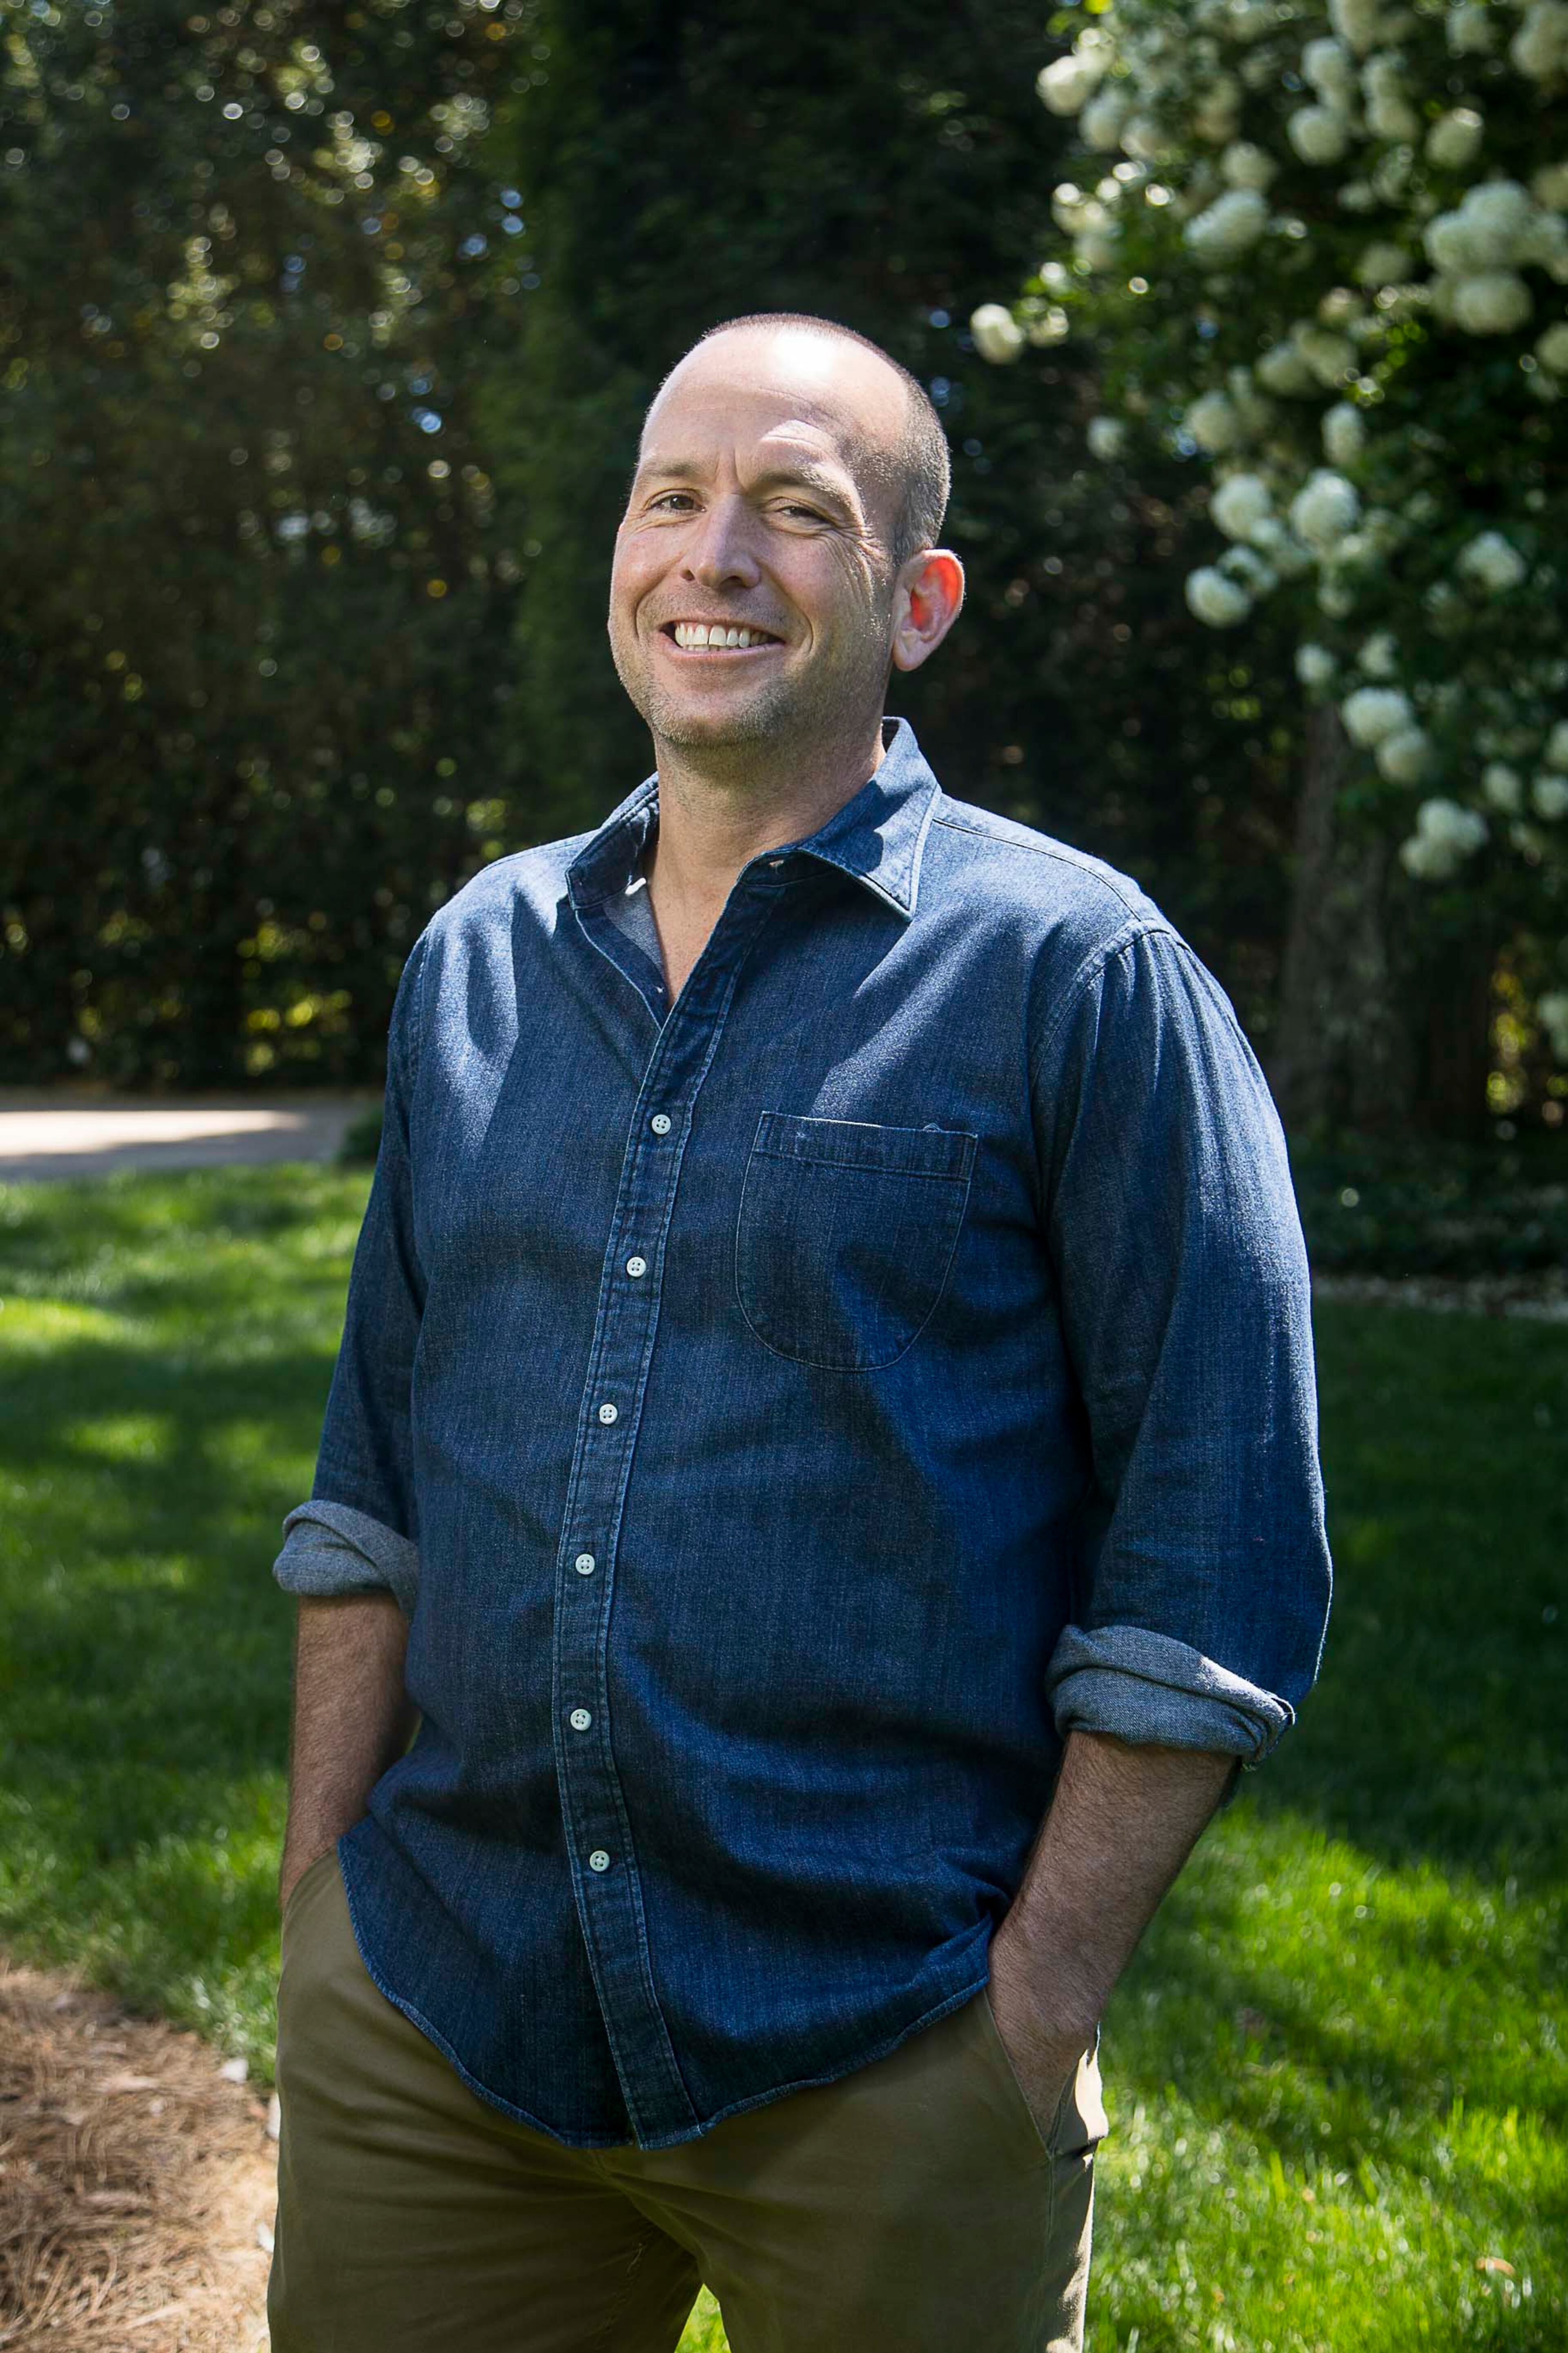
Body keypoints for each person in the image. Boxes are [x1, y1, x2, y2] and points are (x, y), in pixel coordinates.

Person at [267, 312, 1332, 2353]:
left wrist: (1031, 2014)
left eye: (795, 510)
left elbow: (1220, 1550)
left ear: (917, 602)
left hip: (887, 2054)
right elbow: (373, 1483)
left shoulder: (1081, 975)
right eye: (671, 497)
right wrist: (322, 1916)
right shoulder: (480, 958)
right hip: (442, 2029)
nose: (715, 555)